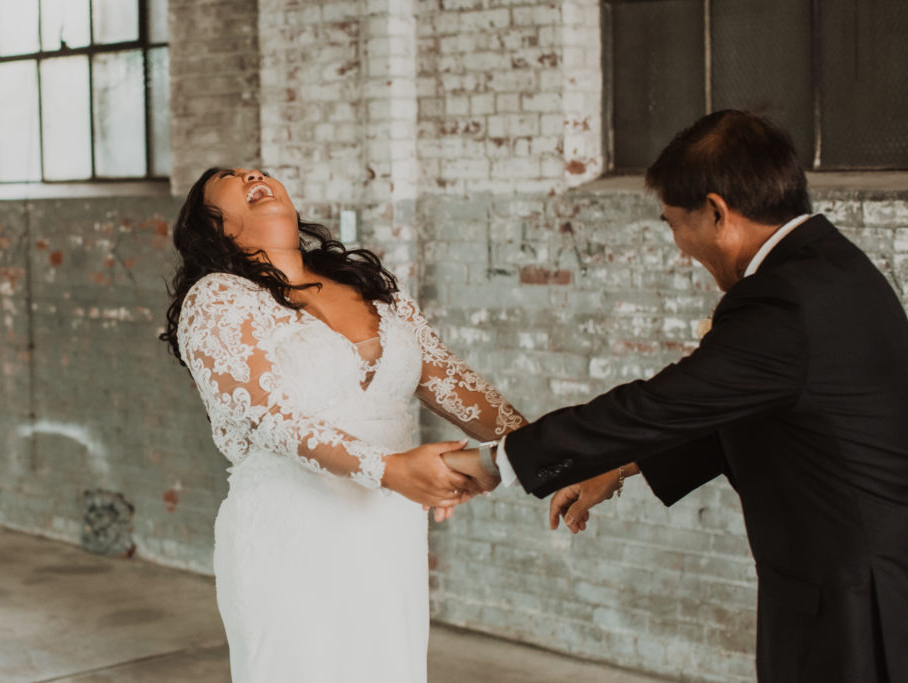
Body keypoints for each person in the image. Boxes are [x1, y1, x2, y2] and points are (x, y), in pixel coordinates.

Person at [445, 111, 908, 682]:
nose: (678, 246)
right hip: (859, 577)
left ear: (717, 211)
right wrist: (623, 463)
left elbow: (660, 403)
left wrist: (497, 463)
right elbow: (756, 412)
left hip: (853, 601)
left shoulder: (783, 301)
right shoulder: (830, 266)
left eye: (672, 224)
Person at [160, 167, 525, 683]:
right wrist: (388, 468)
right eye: (229, 177)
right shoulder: (218, 296)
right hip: (292, 533)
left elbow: (448, 378)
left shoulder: (372, 290)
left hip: (387, 531)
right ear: (211, 225)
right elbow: (267, 416)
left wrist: (548, 452)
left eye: (257, 171)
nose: (252, 173)